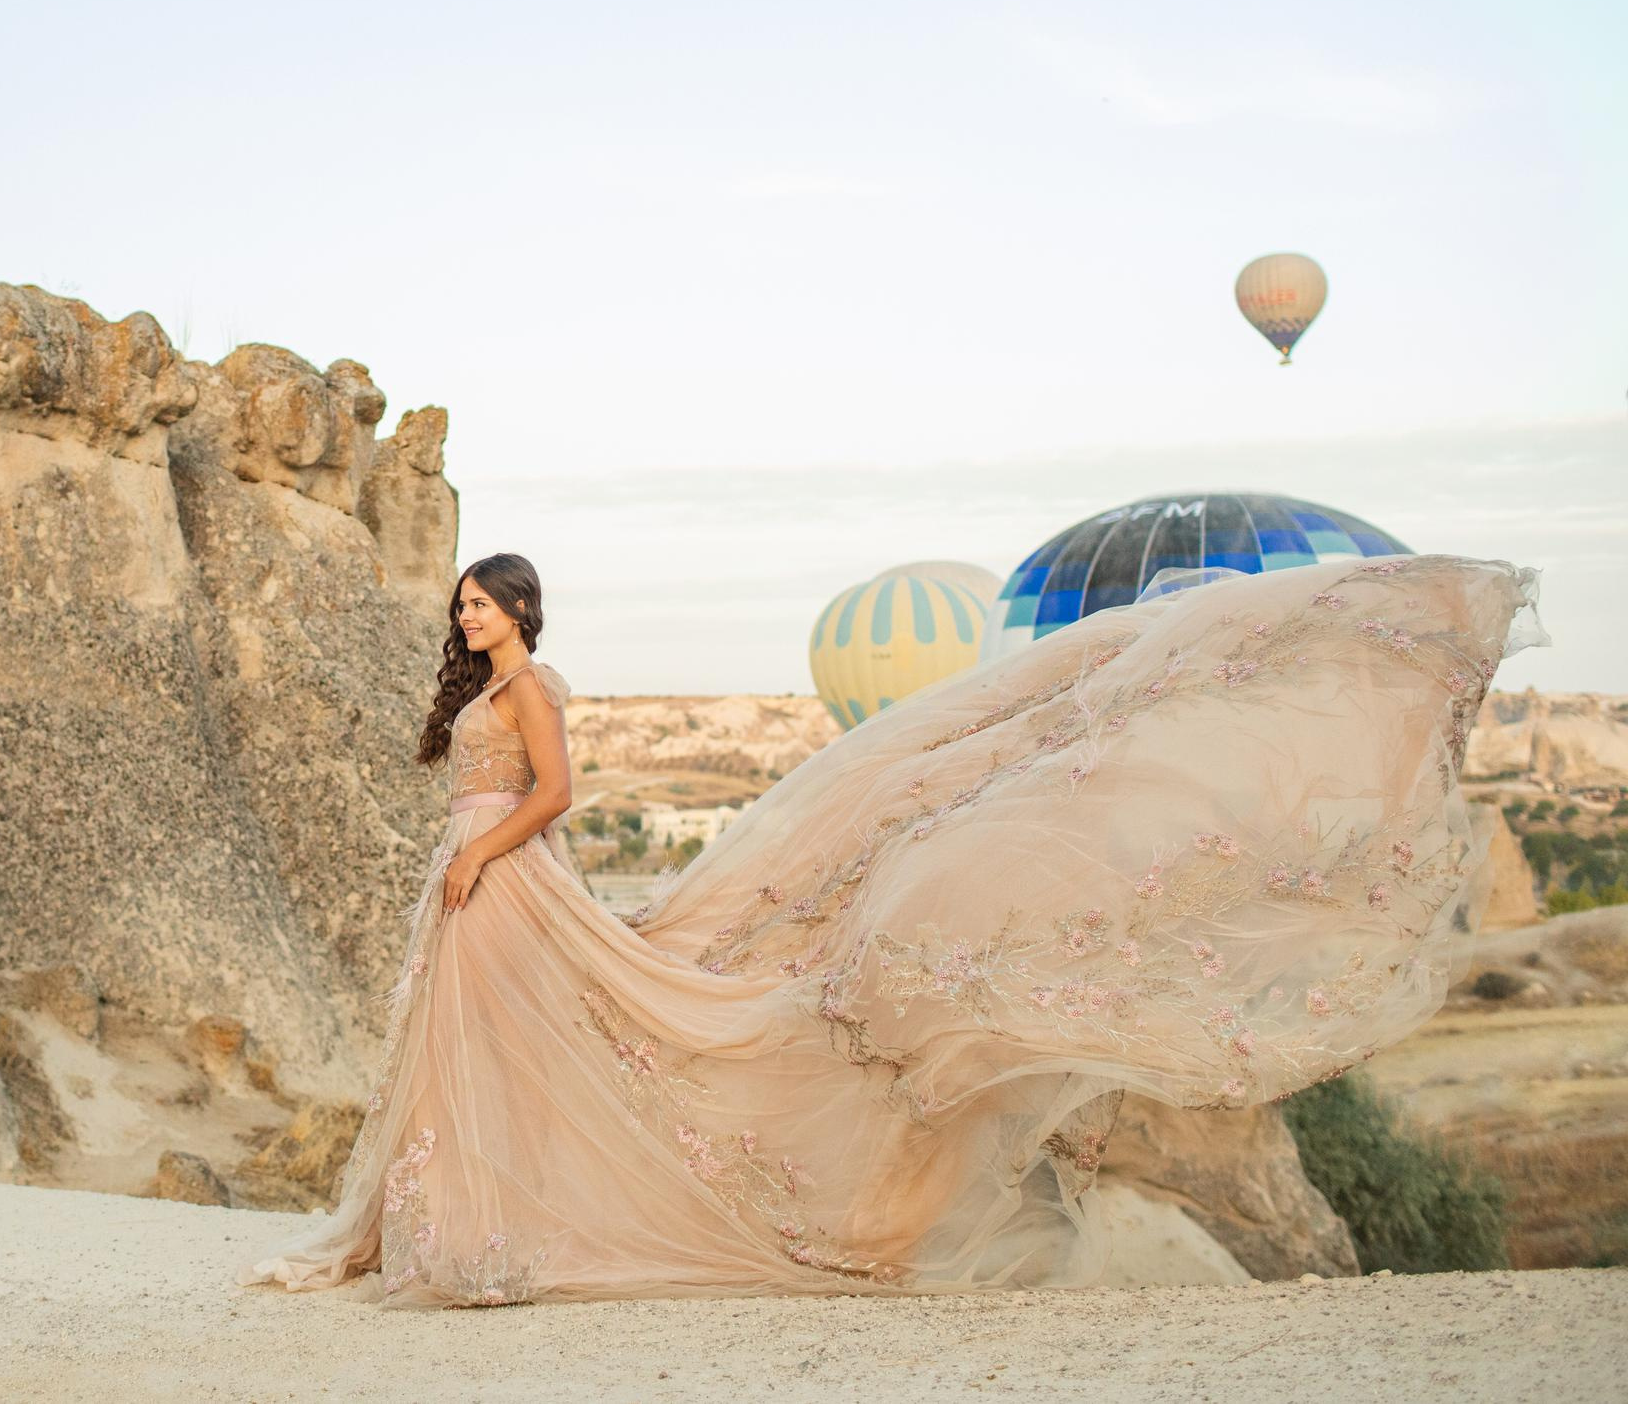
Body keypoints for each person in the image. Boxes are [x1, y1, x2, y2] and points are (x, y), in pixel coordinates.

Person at [241, 548, 1542, 1306]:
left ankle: (488, 1235)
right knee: (468, 1052)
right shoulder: (483, 687)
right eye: (462, 607)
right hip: (470, 884)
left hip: (500, 882)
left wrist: (489, 860)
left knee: (531, 1049)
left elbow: (563, 795)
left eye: (485, 605)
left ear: (524, 611)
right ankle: (439, 1227)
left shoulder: (537, 691)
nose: (469, 621)